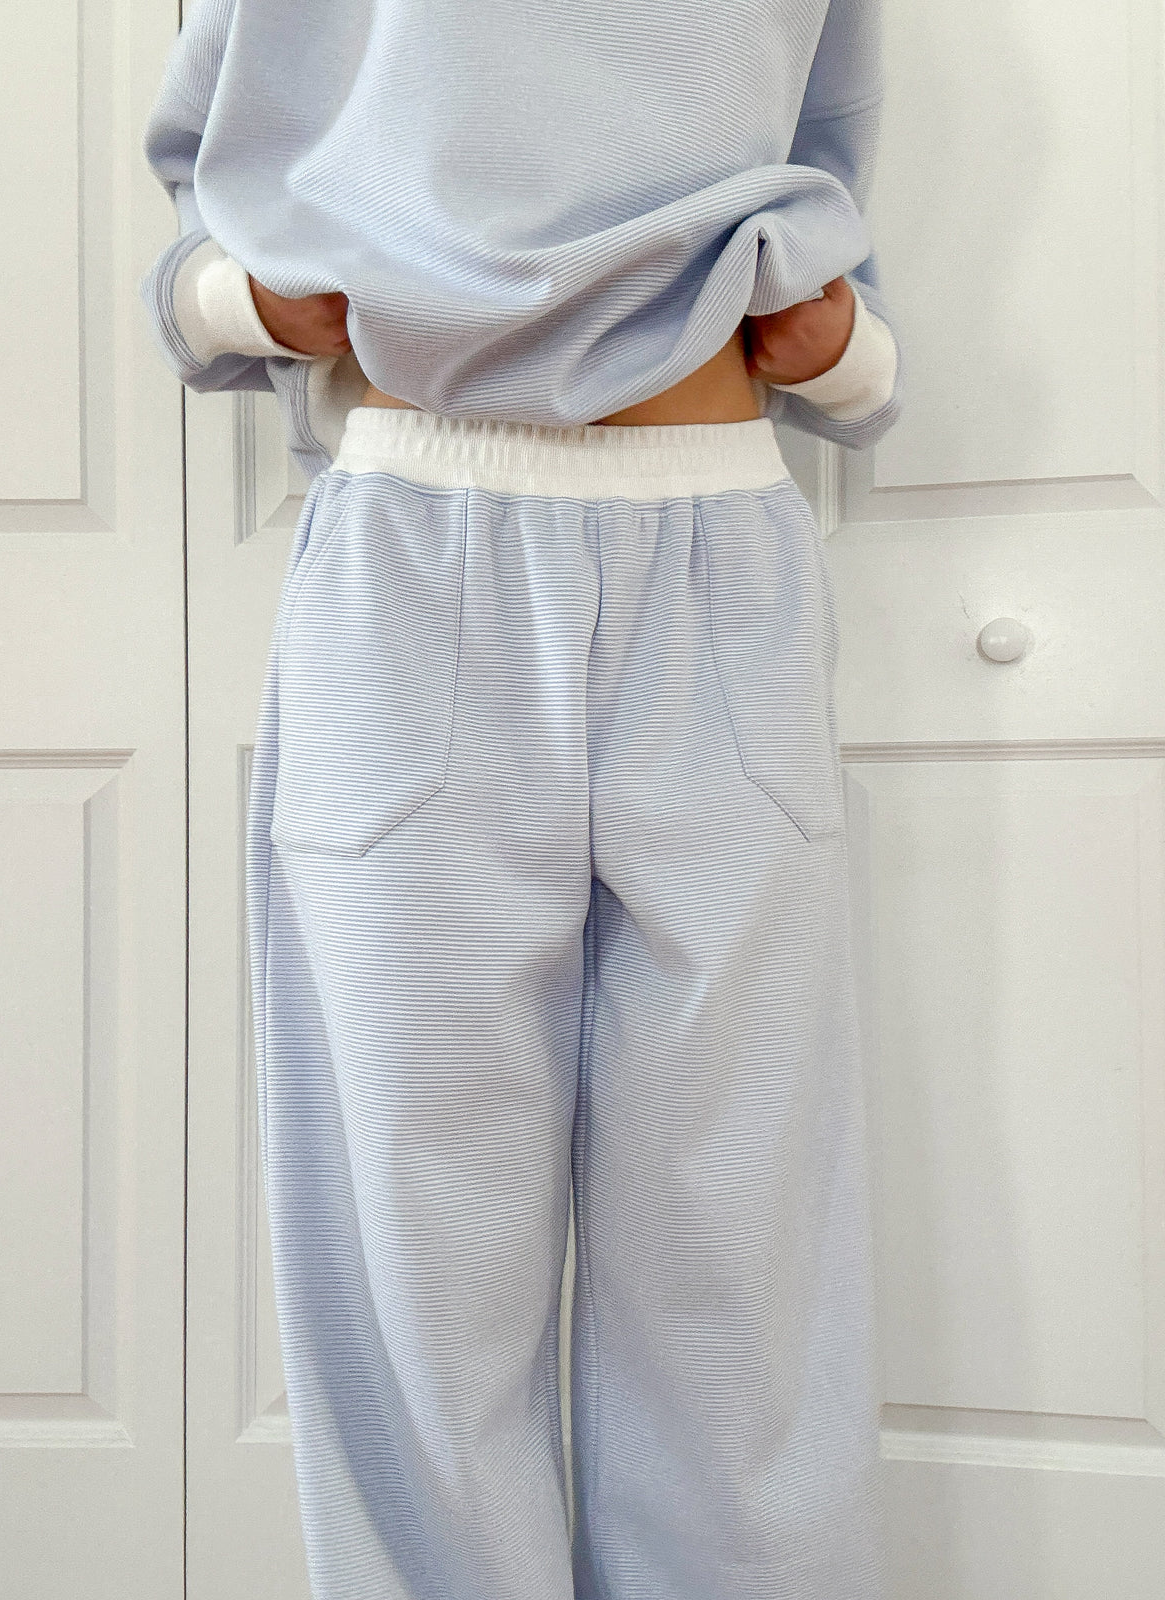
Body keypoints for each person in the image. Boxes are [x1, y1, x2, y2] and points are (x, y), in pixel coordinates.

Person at [140, 3, 904, 1597]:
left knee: (736, 1238)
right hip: (419, 544)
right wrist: (248, 299)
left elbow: (823, 150)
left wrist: (849, 343)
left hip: (718, 552)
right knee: (418, 1242)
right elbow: (206, 180)